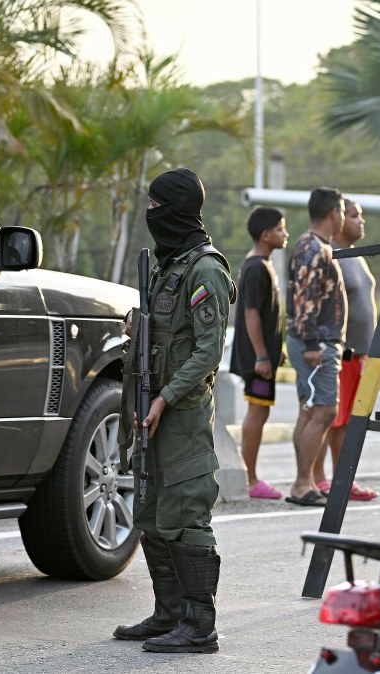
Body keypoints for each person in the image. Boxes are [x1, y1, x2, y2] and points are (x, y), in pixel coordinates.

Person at [114, 167, 236, 654]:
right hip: (153, 409)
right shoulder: (169, 266)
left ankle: (199, 624)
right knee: (150, 510)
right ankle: (168, 614)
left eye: (156, 205)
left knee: (185, 511)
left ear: (178, 208)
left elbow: (208, 352)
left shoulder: (205, 269)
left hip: (182, 413)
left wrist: (165, 397)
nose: (150, 213)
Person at [284, 186, 347, 507]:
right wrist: (311, 343)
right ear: (333, 212)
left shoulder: (314, 246)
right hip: (316, 343)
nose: (344, 217)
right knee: (323, 410)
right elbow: (305, 299)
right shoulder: (313, 248)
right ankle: (301, 484)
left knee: (310, 411)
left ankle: (305, 482)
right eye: (343, 211)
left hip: (315, 340)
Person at [317, 198, 378, 501]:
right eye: (353, 215)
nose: (359, 221)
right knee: (328, 419)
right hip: (341, 354)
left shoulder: (357, 256)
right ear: (338, 219)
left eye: (360, 215)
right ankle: (319, 480)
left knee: (347, 422)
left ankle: (342, 480)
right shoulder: (332, 256)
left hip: (360, 355)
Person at [229, 207, 290, 499]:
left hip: (263, 357)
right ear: (266, 235)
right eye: (280, 229)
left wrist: (277, 349)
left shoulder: (263, 264)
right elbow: (251, 314)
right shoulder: (256, 268)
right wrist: (262, 356)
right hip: (257, 361)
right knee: (258, 410)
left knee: (261, 409)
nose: (285, 234)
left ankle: (250, 476)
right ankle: (250, 479)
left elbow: (268, 315)